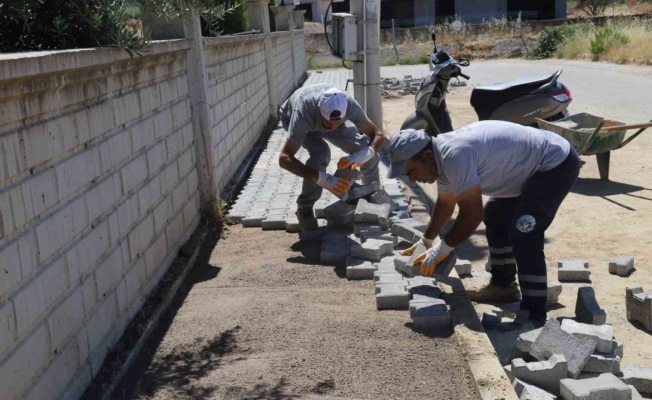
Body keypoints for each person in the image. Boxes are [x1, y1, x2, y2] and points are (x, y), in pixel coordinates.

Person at [386, 121, 580, 325]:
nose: (414, 180)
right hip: (525, 169)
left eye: (411, 172)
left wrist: (442, 248)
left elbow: (471, 215)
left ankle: (534, 314)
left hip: (554, 163)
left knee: (524, 233)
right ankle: (503, 286)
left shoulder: (454, 155)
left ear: (425, 157)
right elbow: (446, 203)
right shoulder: (439, 161)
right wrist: (426, 241)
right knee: (495, 215)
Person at [278, 83, 386, 231]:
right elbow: (284, 158)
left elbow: (378, 136)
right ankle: (305, 209)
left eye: (337, 123)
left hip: (321, 117)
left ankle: (373, 200)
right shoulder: (303, 114)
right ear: (319, 110)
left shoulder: (349, 105)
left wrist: (364, 154)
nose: (331, 128)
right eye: (327, 123)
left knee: (365, 150)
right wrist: (323, 179)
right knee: (320, 154)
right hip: (293, 117)